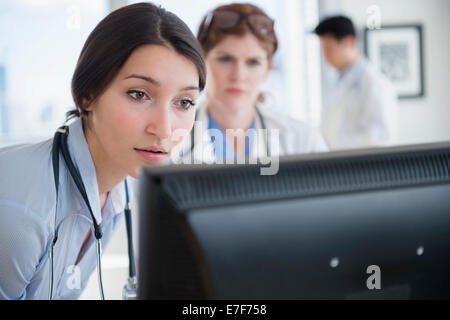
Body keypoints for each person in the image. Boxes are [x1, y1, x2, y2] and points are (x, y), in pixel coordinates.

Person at [0, 3, 206, 300]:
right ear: (88, 95)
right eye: (139, 94)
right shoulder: (21, 210)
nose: (164, 130)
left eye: (184, 102)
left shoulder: (117, 187)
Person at [174, 3, 327, 165]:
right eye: (225, 59)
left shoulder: (302, 141)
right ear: (201, 63)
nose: (238, 75)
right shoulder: (172, 141)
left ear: (268, 68)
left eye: (253, 62)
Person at [314, 15, 398, 151]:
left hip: (362, 166)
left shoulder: (374, 82)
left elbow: (381, 137)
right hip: (336, 162)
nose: (325, 57)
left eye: (329, 49)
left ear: (349, 42)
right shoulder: (336, 80)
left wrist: (334, 144)